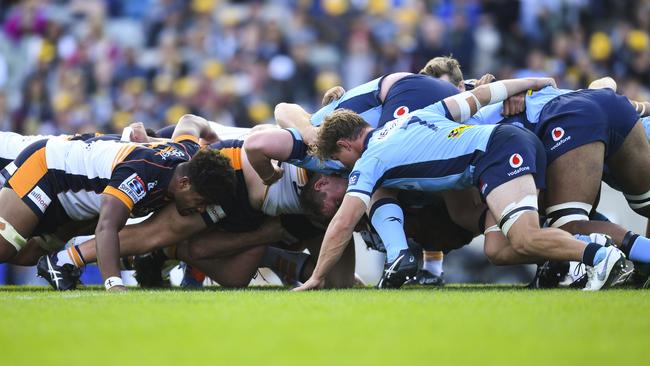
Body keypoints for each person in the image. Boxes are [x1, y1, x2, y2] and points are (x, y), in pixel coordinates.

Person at [294, 77, 626, 291]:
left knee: (525, 237)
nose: (343, 168)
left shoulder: (369, 162)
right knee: (499, 249)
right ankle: (602, 252)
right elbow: (480, 96)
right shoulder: (408, 118)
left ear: (345, 146)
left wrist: (316, 277)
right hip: (510, 145)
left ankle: (600, 257)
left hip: (498, 153)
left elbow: (341, 224)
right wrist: (535, 81)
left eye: (340, 161)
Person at [38, 135, 356, 290]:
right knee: (156, 233)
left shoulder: (335, 206)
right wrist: (166, 141)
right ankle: (66, 258)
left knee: (236, 276)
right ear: (323, 180)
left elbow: (340, 282)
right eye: (338, 201)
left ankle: (164, 255)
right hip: (227, 178)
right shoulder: (308, 152)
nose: (337, 210)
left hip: (250, 209)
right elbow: (197, 123)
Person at [0, 114, 236, 292]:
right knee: (5, 247)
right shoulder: (142, 174)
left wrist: (211, 139)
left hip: (69, 199)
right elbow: (107, 227)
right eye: (201, 201)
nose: (201, 209)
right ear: (184, 183)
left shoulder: (189, 152)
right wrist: (114, 284)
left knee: (27, 255)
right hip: (45, 169)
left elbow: (189, 120)